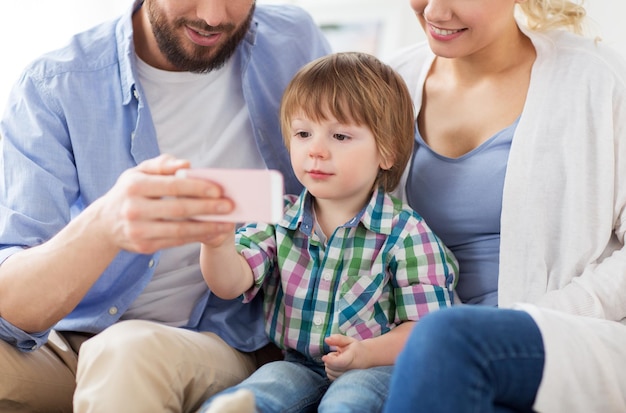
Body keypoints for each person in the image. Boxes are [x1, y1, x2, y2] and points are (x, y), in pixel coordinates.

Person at [0, 0, 331, 411]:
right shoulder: (55, 85)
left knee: (126, 352)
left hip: (225, 341)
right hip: (73, 339)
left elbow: (361, 173)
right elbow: (13, 308)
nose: (213, 17)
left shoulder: (292, 42)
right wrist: (103, 226)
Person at [383, 0, 626, 412]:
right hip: (422, 355)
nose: (435, 12)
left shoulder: (598, 80)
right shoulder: (387, 84)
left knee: (448, 337)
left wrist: (534, 317)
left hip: (564, 338)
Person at [195, 52, 458, 413]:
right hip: (297, 363)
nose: (316, 150)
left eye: (339, 135)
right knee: (263, 390)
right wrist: (217, 243)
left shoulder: (405, 232)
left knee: (348, 402)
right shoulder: (278, 217)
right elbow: (230, 282)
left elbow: (425, 331)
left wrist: (365, 353)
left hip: (378, 366)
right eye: (303, 133)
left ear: (387, 151)